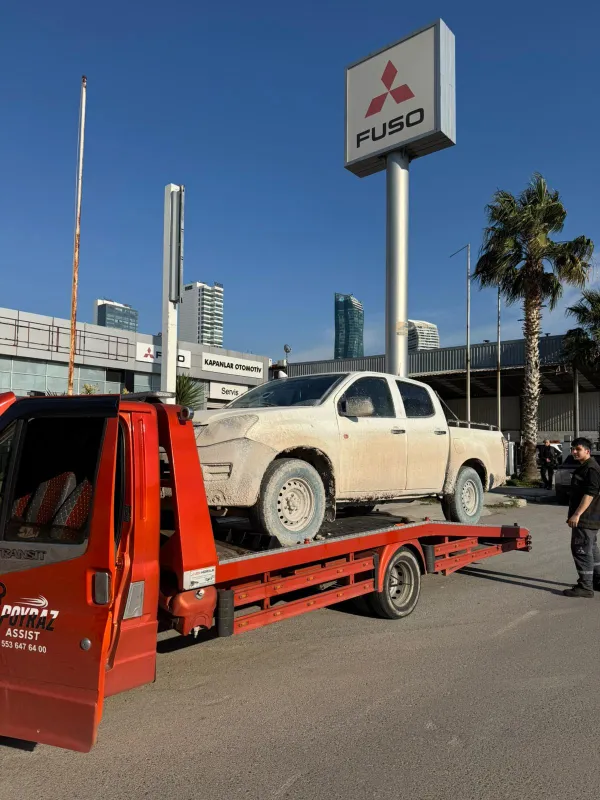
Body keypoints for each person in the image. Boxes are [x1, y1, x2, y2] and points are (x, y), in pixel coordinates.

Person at [564, 437, 600, 598]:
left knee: (581, 549)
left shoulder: (591, 468)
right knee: (591, 548)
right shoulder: (585, 467)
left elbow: (591, 493)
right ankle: (597, 580)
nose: (574, 452)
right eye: (573, 449)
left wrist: (577, 514)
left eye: (577, 449)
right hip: (591, 517)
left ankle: (586, 586)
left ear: (587, 451)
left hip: (586, 517)